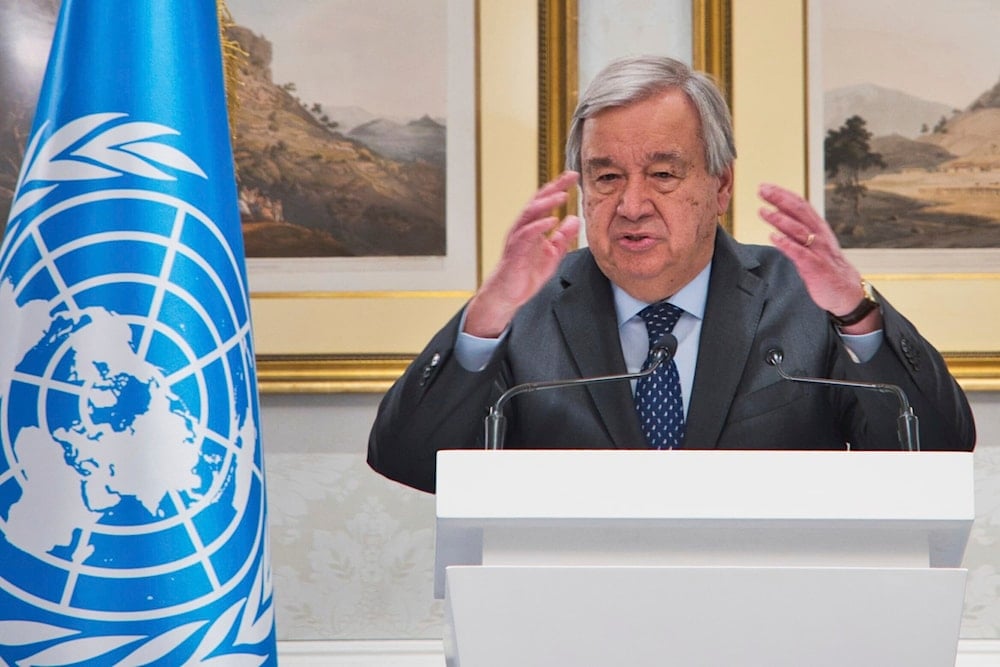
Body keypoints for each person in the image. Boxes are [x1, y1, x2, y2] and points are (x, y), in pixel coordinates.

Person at [367, 55, 975, 493]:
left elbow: (938, 452)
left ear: (721, 185)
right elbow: (408, 459)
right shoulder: (524, 312)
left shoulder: (808, 302)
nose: (631, 205)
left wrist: (857, 314)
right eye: (606, 177)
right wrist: (484, 320)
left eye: (662, 174)